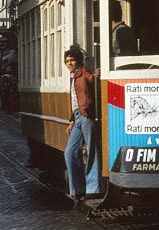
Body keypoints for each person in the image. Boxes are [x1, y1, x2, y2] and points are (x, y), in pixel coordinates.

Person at [63, 45, 103, 201]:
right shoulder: (73, 76)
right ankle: (78, 189)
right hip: (78, 118)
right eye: (67, 61)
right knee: (70, 152)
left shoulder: (83, 73)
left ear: (78, 61)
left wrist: (97, 74)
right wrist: (72, 120)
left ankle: (93, 189)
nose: (69, 63)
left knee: (91, 150)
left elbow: (93, 80)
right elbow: (74, 101)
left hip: (86, 116)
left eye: (72, 60)